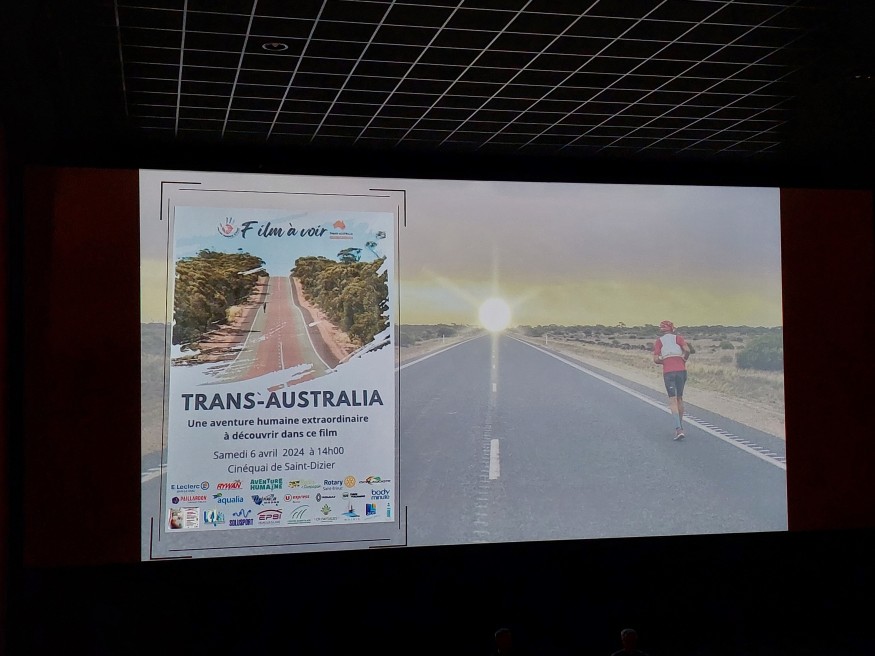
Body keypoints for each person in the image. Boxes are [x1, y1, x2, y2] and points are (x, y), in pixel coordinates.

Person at [652, 320, 691, 439]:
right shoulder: (678, 338)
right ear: (672, 328)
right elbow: (687, 350)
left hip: (669, 372)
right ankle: (681, 427)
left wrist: (665, 360)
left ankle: (678, 429)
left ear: (662, 330)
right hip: (681, 370)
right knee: (679, 398)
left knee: (672, 400)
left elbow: (656, 359)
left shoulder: (659, 341)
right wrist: (684, 359)